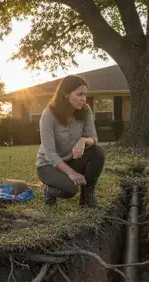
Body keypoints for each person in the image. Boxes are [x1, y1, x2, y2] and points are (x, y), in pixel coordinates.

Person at [36, 75, 106, 208]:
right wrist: (71, 173)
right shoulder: (49, 114)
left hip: (71, 160)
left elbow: (94, 139)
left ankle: (87, 198)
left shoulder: (85, 111)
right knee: (70, 190)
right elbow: (50, 154)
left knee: (98, 153)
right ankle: (48, 191)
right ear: (66, 94)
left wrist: (83, 140)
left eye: (85, 95)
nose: (84, 99)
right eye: (79, 94)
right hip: (48, 165)